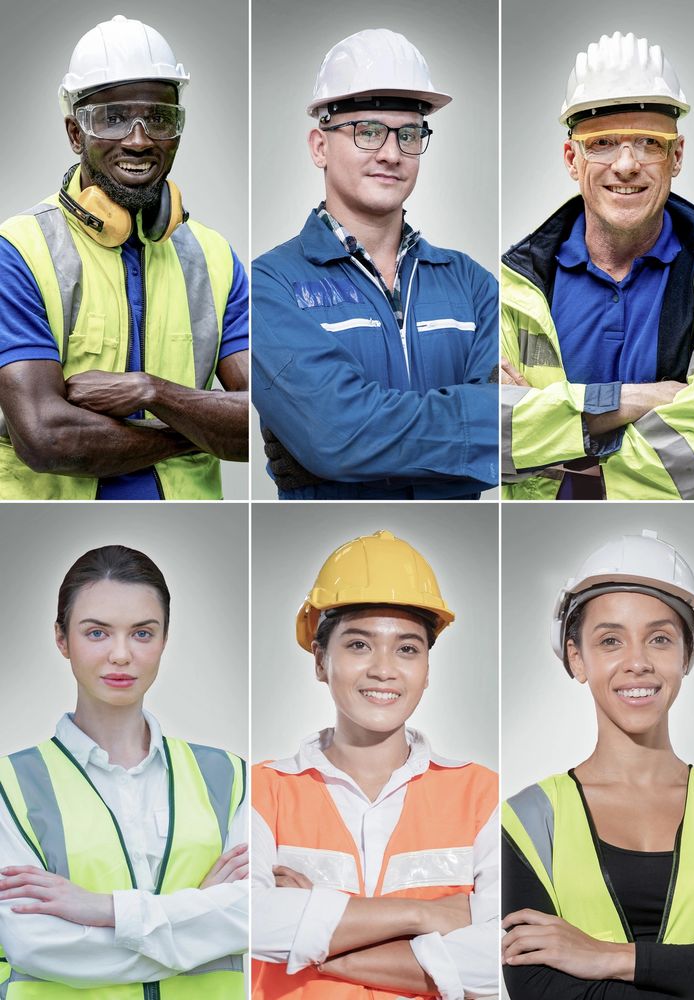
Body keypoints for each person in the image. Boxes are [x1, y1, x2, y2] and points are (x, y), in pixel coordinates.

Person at [0, 15, 249, 500]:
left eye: (159, 118)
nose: (139, 139)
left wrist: (151, 390)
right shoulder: (19, 252)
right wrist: (198, 433)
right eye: (112, 118)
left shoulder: (214, 258)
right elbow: (46, 437)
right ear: (76, 133)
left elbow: (265, 420)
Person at [500, 31, 694, 501]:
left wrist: (551, 453)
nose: (627, 164)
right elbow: (488, 435)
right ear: (572, 159)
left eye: (649, 143)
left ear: (676, 156)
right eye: (603, 143)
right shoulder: (513, 286)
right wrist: (634, 399)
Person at [251, 29, 498, 500]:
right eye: (367, 131)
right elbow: (340, 437)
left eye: (409, 135)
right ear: (319, 146)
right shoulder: (269, 287)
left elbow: (520, 429)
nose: (391, 153)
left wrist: (352, 450)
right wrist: (477, 440)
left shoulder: (473, 285)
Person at [250, 529, 498, 998]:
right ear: (320, 660)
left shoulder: (482, 796)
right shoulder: (261, 790)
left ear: (427, 668)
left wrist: (317, 939)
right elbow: (247, 922)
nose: (384, 669)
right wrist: (425, 914)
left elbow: (504, 962)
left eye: (407, 648)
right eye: (359, 645)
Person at [502, 530, 694, 998]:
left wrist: (608, 957)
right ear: (577, 658)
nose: (637, 662)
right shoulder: (528, 820)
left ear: (687, 655)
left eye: (659, 638)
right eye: (611, 640)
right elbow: (537, 989)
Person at [0, 545, 248, 996]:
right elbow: (35, 945)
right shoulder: (9, 787)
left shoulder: (230, 777)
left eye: (142, 633)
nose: (120, 654)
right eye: (96, 633)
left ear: (164, 640)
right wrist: (201, 913)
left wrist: (106, 910)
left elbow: (251, 914)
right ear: (61, 639)